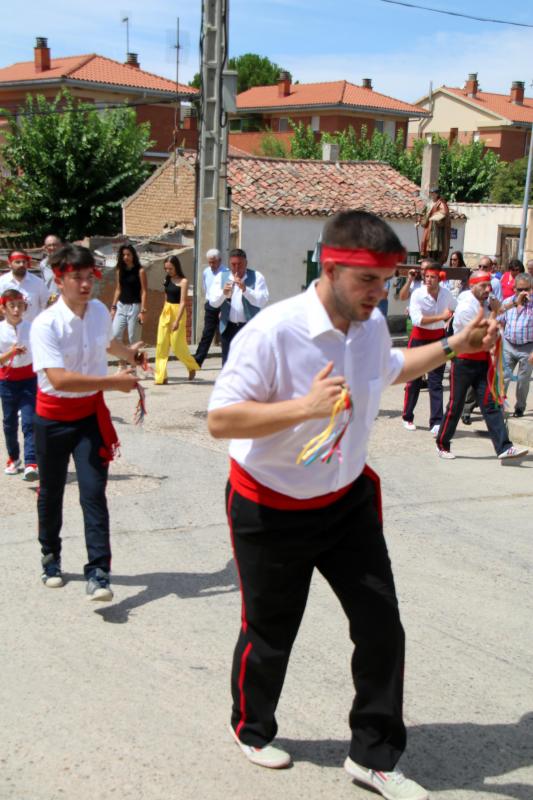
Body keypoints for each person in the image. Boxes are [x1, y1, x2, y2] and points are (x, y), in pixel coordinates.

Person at [207, 210, 499, 800]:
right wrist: (302, 409)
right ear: (333, 267)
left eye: (388, 280)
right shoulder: (272, 330)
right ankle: (252, 727)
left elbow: (392, 370)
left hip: (345, 503)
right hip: (271, 506)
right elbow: (220, 419)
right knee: (270, 631)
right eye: (369, 281)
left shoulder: (367, 328)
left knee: (382, 627)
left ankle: (372, 755)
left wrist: (452, 344)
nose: (380, 294)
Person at [30, 244, 143, 600]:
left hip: (88, 419)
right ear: (58, 281)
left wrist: (131, 355)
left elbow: (106, 343)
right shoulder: (44, 324)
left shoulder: (97, 311)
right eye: (75, 278)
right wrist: (113, 383)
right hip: (52, 419)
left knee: (94, 494)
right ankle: (51, 555)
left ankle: (99, 571)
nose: (85, 284)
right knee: (51, 492)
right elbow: (60, 379)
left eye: (89, 277)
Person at [435, 269, 528, 461]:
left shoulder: (485, 299)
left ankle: (504, 447)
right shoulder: (466, 307)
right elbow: (482, 334)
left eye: (489, 286)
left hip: (483, 362)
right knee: (455, 405)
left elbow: (499, 309)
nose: (488, 290)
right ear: (472, 285)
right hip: (463, 361)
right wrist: (494, 311)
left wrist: (512, 302)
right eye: (483, 286)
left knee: (491, 404)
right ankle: (442, 444)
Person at [402, 263, 457, 435]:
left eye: (432, 277)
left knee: (436, 381)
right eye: (426, 276)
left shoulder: (446, 294)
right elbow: (418, 319)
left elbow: (456, 307)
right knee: (414, 380)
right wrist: (442, 316)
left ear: (440, 278)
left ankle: (436, 421)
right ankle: (408, 417)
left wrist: (451, 318)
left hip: (438, 340)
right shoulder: (418, 293)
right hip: (418, 339)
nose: (428, 280)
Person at [0, 289, 38, 480]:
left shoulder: (32, 327)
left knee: (30, 421)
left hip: (29, 380)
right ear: (3, 308)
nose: (16, 310)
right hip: (7, 381)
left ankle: (31, 461)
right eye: (12, 306)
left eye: (19, 306)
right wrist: (11, 352)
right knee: (9, 423)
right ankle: (13, 458)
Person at [207, 248, 269, 365]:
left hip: (248, 327)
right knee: (227, 363)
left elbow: (262, 300)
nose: (236, 268)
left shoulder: (257, 276)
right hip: (228, 327)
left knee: (248, 363)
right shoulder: (221, 277)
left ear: (246, 263)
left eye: (239, 264)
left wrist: (245, 290)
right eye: (233, 265)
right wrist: (223, 294)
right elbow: (213, 303)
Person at [154, 256, 200, 384]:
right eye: (166, 268)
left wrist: (176, 321)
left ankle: (191, 366)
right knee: (161, 344)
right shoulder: (167, 279)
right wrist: (163, 312)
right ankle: (161, 376)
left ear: (176, 267)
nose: (168, 271)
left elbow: (183, 302)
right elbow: (166, 296)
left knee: (177, 346)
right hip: (166, 312)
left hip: (178, 313)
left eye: (170, 268)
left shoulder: (183, 281)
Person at [498, 273, 533, 418]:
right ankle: (499, 407)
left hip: (528, 346)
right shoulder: (508, 302)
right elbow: (498, 319)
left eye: (526, 289)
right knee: (503, 377)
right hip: (509, 344)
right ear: (514, 289)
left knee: (523, 380)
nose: (523, 293)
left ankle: (520, 407)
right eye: (520, 289)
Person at [110, 244, 148, 348]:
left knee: (133, 339)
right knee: (115, 335)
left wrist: (142, 311)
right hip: (121, 306)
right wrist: (113, 307)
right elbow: (118, 289)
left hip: (135, 307)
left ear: (133, 256)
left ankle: (136, 363)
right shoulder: (119, 270)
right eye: (123, 255)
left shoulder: (140, 271)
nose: (125, 257)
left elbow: (144, 291)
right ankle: (122, 361)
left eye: (128, 255)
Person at [193, 248, 224, 367]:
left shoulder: (225, 273)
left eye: (214, 262)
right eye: (209, 262)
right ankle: (197, 362)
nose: (211, 264)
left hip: (222, 307)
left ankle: (227, 363)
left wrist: (223, 309)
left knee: (224, 337)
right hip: (210, 306)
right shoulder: (206, 271)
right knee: (207, 334)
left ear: (219, 260)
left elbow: (226, 294)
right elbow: (206, 288)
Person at [0, 250, 49, 323]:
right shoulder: (2, 282)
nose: (21, 264)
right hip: (10, 330)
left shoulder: (38, 282)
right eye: (17, 262)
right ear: (9, 263)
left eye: (24, 262)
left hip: (33, 329)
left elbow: (46, 305)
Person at [418, 187, 451, 265]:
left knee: (434, 244)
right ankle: (426, 257)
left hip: (436, 228)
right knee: (425, 241)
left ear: (437, 194)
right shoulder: (429, 203)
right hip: (428, 226)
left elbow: (444, 212)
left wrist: (436, 217)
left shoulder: (441, 203)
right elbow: (423, 213)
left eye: (434, 193)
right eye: (431, 193)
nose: (432, 195)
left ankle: (434, 258)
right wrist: (419, 221)